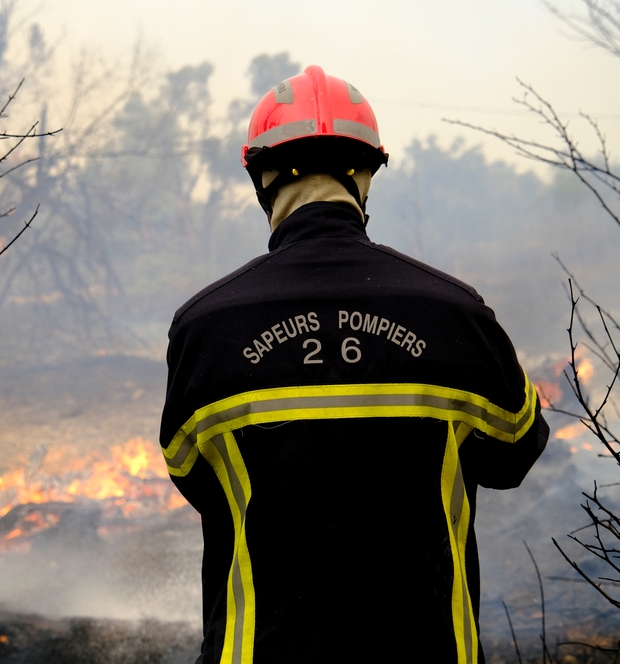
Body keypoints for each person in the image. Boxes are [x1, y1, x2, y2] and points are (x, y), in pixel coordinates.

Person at [159, 65, 548, 664]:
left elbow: (194, 476)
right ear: (364, 174)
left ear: (262, 178)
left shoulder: (204, 328)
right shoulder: (456, 312)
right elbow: (514, 454)